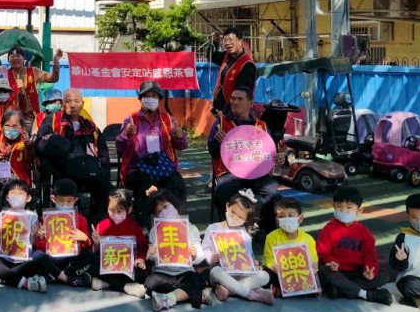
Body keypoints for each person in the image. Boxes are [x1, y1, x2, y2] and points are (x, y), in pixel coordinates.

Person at [116, 81, 189, 224]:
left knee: (176, 183)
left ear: (159, 99)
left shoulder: (168, 120)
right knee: (144, 184)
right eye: (147, 95)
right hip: (137, 168)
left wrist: (179, 136)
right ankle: (144, 226)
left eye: (154, 96)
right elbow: (120, 147)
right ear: (140, 99)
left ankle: (173, 221)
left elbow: (182, 146)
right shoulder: (131, 120)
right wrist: (126, 134)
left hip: (163, 167)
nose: (150, 98)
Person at [35, 88, 111, 222]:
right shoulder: (52, 120)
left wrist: (104, 173)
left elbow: (102, 152)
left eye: (76, 101)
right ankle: (78, 221)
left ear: (82, 104)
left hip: (85, 170)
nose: (73, 105)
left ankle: (94, 224)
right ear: (63, 104)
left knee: (106, 189)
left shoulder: (89, 125)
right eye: (68, 101)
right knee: (67, 186)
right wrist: (54, 142)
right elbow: (39, 145)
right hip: (61, 171)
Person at [207, 86, 281, 223]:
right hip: (229, 173)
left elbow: (271, 153)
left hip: (257, 172)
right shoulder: (220, 123)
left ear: (250, 103)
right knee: (223, 192)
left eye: (240, 99)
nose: (235, 102)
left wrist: (278, 158)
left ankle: (265, 227)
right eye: (233, 99)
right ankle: (228, 227)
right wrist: (217, 142)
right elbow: (212, 151)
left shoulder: (261, 126)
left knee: (273, 194)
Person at [316, 185, 392, 305]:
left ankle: (340, 291)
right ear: (333, 206)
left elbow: (370, 256)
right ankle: (366, 294)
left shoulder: (365, 233)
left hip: (357, 273)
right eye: (339, 207)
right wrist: (330, 262)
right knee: (323, 272)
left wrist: (370, 270)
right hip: (337, 272)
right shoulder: (328, 229)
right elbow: (322, 252)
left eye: (349, 207)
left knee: (384, 275)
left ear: (359, 210)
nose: (344, 211)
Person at [203, 190, 274, 305]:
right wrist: (211, 257)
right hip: (221, 272)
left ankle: (229, 290)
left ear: (246, 220)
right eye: (233, 212)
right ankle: (252, 294)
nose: (235, 218)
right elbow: (205, 248)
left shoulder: (243, 233)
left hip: (241, 274)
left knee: (265, 276)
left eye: (240, 217)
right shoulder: (213, 228)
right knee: (215, 271)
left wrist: (253, 263)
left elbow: (249, 255)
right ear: (227, 206)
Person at [145, 189, 207, 312]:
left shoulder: (190, 228)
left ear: (175, 205)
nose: (163, 212)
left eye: (165, 206)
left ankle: (168, 298)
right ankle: (193, 294)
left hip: (185, 272)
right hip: (163, 273)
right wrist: (151, 253)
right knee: (150, 283)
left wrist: (195, 254)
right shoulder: (155, 231)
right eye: (158, 211)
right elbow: (152, 257)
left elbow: (200, 254)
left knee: (197, 280)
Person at [0, 179, 49, 292]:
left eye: (20, 193)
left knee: (40, 257)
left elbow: (34, 241)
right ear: (7, 197)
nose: (16, 197)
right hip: (6, 257)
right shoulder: (2, 215)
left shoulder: (32, 216)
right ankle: (26, 283)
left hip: (24, 258)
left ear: (28, 198)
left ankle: (3, 276)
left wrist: (37, 235)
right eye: (13, 193)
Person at [31, 179, 95, 287]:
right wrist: (41, 238)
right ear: (53, 199)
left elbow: (86, 247)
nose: (65, 204)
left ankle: (53, 275)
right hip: (53, 258)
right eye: (61, 201)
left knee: (90, 256)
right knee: (36, 255)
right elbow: (41, 247)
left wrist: (85, 239)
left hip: (71, 260)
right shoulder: (47, 218)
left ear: (75, 200)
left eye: (69, 201)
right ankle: (66, 278)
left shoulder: (80, 219)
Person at [91, 189, 148, 297]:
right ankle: (126, 286)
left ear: (129, 210)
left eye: (119, 211)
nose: (115, 214)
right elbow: (95, 252)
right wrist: (97, 243)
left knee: (140, 272)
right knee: (91, 264)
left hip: (127, 266)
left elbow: (142, 246)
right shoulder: (102, 225)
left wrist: (140, 259)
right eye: (111, 210)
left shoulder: (135, 227)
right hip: (109, 264)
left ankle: (108, 282)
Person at [262, 196, 318, 296]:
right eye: (281, 216)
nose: (286, 219)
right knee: (265, 274)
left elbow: (313, 258)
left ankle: (279, 291)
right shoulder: (271, 237)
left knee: (321, 273)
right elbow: (268, 257)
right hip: (280, 273)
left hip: (301, 274)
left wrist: (313, 265)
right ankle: (292, 291)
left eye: (290, 215)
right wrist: (273, 266)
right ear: (277, 220)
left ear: (300, 218)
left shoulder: (308, 239)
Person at [6, 45, 63, 130]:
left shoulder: (33, 71)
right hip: (11, 117)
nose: (15, 58)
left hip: (30, 118)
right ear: (8, 59)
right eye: (12, 56)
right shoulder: (4, 74)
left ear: (23, 58)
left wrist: (55, 62)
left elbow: (53, 79)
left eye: (18, 56)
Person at [210, 26, 256, 117]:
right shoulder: (227, 57)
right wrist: (215, 43)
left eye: (231, 40)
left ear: (240, 41)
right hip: (221, 111)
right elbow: (211, 56)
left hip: (235, 114)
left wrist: (226, 112)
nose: (227, 43)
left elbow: (242, 95)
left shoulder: (247, 65)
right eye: (225, 40)